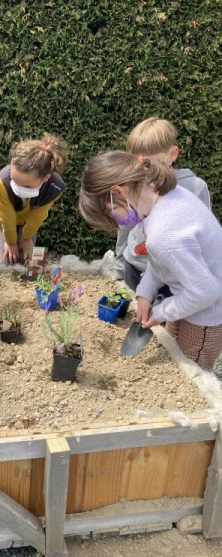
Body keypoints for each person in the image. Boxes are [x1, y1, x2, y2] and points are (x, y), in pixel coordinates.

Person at [79, 150, 222, 372]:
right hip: (189, 299)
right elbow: (163, 262)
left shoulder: (163, 232)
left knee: (190, 374)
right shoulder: (170, 198)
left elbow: (206, 292)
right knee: (173, 354)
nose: (118, 220)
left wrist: (161, 312)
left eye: (112, 211)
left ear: (117, 191)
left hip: (206, 315)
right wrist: (145, 291)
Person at [114, 117, 211, 289]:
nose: (146, 171)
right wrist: (120, 267)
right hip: (135, 267)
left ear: (173, 154)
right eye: (140, 164)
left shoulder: (195, 188)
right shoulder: (133, 185)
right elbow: (125, 226)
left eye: (152, 164)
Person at [0, 132, 68, 264]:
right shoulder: (2, 181)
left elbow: (38, 216)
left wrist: (26, 238)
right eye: (14, 180)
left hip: (29, 217)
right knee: (8, 257)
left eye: (27, 186)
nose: (18, 188)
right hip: (4, 215)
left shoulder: (55, 188)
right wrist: (10, 242)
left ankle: (32, 276)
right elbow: (6, 216)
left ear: (45, 178)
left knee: (27, 256)